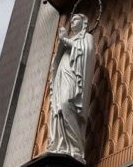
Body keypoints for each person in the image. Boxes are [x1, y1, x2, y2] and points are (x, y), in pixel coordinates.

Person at [48, 13, 96, 162]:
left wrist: (67, 41)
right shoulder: (69, 39)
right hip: (62, 73)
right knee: (59, 110)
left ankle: (76, 148)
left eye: (76, 19)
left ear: (84, 22)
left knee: (67, 104)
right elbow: (57, 60)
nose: (72, 22)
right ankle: (61, 145)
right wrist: (62, 43)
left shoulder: (87, 37)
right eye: (72, 20)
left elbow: (87, 52)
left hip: (74, 75)